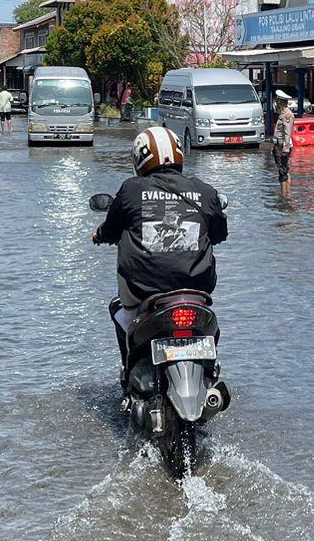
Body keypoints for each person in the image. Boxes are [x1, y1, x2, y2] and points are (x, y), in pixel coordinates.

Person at [93, 125, 228, 368]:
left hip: (144, 289)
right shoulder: (205, 191)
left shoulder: (131, 189)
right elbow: (219, 233)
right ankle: (210, 368)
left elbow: (110, 230)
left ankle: (129, 368)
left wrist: (99, 234)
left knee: (119, 309)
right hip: (197, 287)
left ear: (139, 159)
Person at [270, 89, 296, 199]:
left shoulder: (287, 115)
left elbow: (287, 133)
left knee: (283, 171)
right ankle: (284, 193)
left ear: (280, 102)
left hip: (282, 146)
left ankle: (286, 194)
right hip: (278, 145)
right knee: (282, 170)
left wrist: (285, 149)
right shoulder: (283, 114)